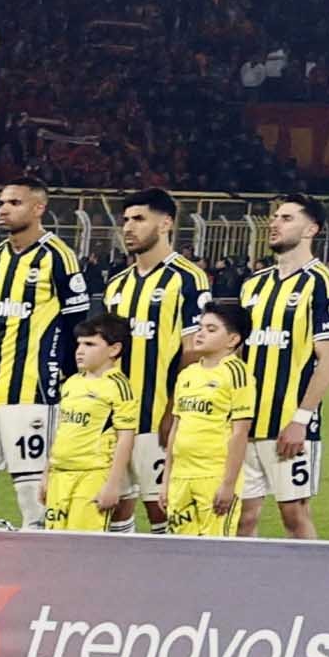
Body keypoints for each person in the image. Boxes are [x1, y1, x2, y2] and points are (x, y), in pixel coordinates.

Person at [0, 181, 91, 534]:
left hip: (34, 389)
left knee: (32, 488)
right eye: (2, 202)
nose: (3, 209)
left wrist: (68, 379)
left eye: (14, 202)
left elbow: (76, 324)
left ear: (38, 209)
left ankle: (39, 553)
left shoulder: (58, 256)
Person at [93, 190, 210, 531]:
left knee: (162, 508)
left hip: (158, 414)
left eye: (139, 219)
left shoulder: (187, 278)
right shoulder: (117, 284)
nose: (129, 227)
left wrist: (174, 411)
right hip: (116, 417)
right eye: (126, 220)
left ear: (166, 224)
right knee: (115, 506)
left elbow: (194, 351)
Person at [231, 198, 329, 545]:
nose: (275, 223)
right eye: (275, 217)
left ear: (311, 229)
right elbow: (238, 352)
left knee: (294, 514)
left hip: (288, 423)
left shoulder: (322, 282)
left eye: (287, 218)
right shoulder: (253, 285)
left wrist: (301, 419)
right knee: (241, 516)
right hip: (246, 421)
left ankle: (308, 580)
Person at [159, 300, 249, 542]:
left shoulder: (236, 373)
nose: (200, 334)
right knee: (180, 551)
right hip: (180, 478)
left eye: (211, 329)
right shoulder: (187, 375)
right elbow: (176, 428)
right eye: (200, 328)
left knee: (215, 553)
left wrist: (228, 484)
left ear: (232, 340)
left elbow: (240, 433)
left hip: (213, 476)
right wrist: (166, 480)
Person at [44, 315, 134, 534]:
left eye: (90, 344)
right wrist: (47, 473)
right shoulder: (72, 383)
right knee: (53, 542)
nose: (80, 351)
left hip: (92, 476)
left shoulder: (118, 386)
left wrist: (113, 485)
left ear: (114, 349)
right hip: (60, 475)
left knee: (83, 544)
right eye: (79, 344)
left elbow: (126, 437)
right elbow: (60, 431)